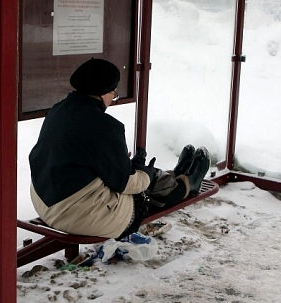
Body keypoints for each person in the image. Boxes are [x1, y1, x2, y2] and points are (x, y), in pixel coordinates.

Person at [29, 57, 210, 240]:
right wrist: (144, 172)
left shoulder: (58, 111)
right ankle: (186, 185)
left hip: (45, 201)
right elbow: (126, 183)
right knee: (144, 191)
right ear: (103, 93)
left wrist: (122, 163)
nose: (112, 99)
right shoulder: (105, 126)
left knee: (138, 175)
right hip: (77, 214)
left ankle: (174, 176)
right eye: (113, 94)